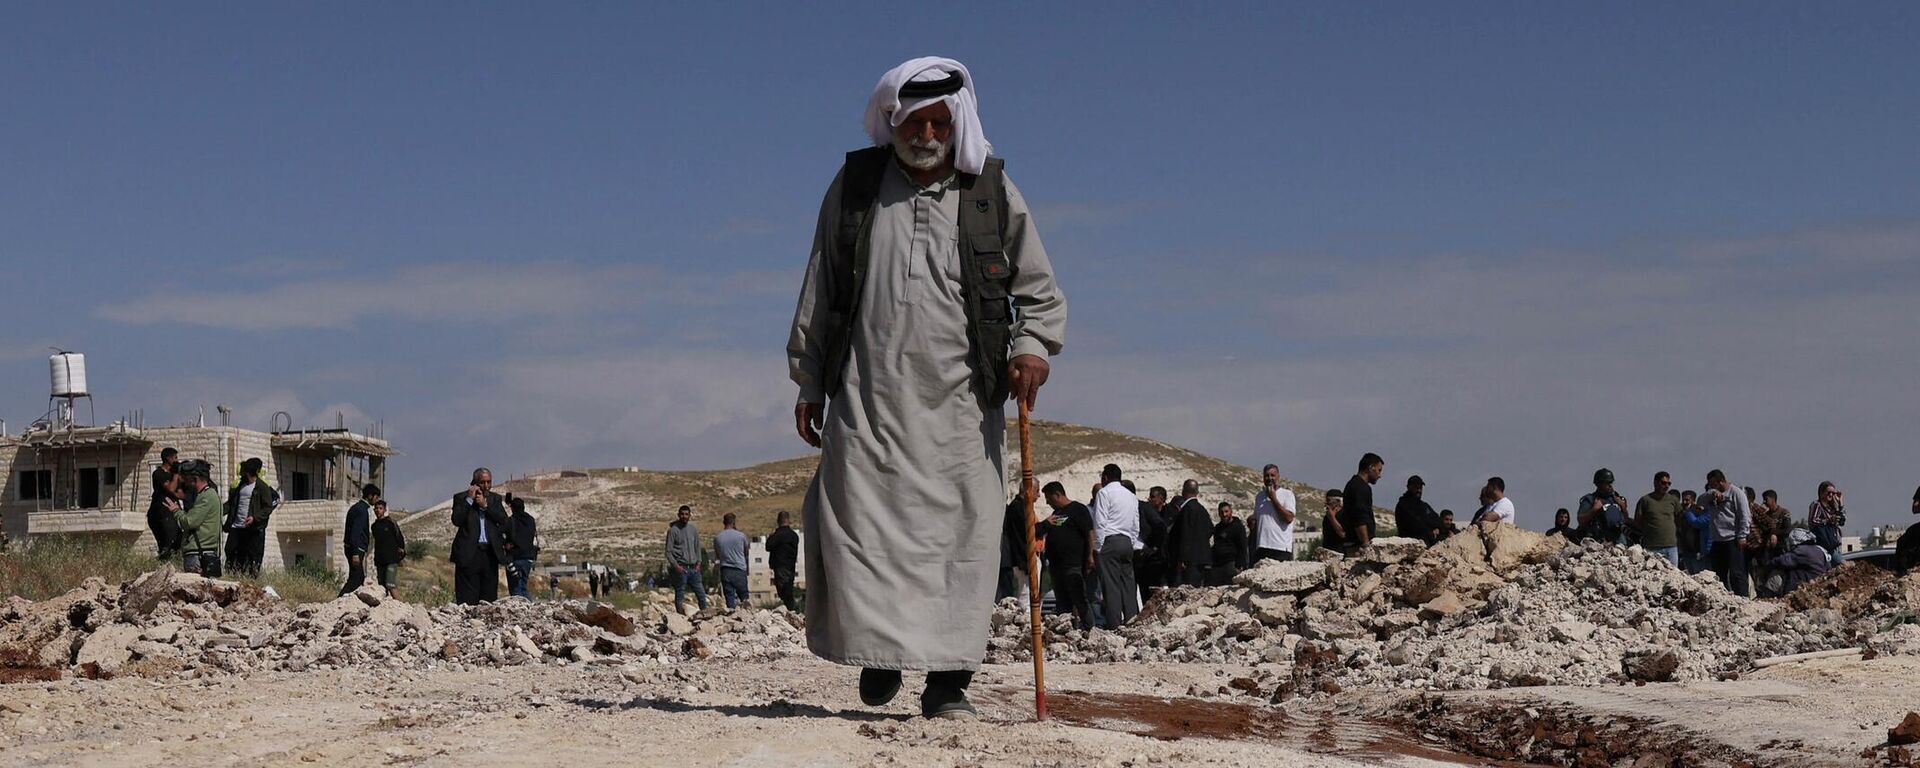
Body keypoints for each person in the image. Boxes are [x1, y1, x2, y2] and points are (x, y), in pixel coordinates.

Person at [785, 56, 1068, 720]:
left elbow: (1040, 292)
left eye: (943, 121)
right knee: (860, 526)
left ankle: (948, 683)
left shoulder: (990, 193)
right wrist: (808, 383)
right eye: (917, 121)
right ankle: (879, 655)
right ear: (895, 120)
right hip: (867, 396)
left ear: (958, 123)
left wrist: (1030, 347)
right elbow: (819, 286)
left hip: (961, 406)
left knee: (964, 538)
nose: (929, 133)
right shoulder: (855, 189)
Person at [1037, 481, 1094, 633]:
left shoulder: (1078, 510)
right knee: (1063, 602)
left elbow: (1089, 532)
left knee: (1079, 599)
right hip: (1056, 566)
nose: (1048, 502)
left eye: (1049, 498)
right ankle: (1068, 631)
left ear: (1058, 494)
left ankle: (1090, 629)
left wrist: (1090, 556)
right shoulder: (1056, 514)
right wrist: (1045, 523)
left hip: (1073, 564)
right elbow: (1037, 531)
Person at [1089, 464, 1141, 629]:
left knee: (1111, 586)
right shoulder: (1130, 495)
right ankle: (1132, 620)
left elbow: (1100, 522)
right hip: (1126, 542)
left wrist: (1097, 547)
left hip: (1110, 541)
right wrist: (1130, 542)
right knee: (1128, 583)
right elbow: (1135, 523)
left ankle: (1114, 624)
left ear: (1105, 477)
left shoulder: (1104, 493)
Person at [449, 468, 510, 605]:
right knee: (467, 597)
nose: (486, 485)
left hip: (489, 553)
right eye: (483, 482)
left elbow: (503, 520)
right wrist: (469, 500)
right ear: (475, 482)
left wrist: (485, 505)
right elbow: (457, 520)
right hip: (469, 553)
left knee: (488, 598)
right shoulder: (461, 498)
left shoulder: (494, 499)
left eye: (489, 482)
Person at [222, 457, 278, 577]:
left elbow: (268, 507)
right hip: (237, 527)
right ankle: (231, 576)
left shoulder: (262, 487)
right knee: (231, 552)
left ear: (248, 471)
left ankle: (250, 579)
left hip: (252, 529)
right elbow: (231, 504)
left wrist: (254, 518)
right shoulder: (240, 486)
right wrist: (218, 512)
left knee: (253, 557)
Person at [1701, 470, 1752, 596]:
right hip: (1717, 540)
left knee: (1736, 574)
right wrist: (1712, 493)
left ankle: (1743, 599)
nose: (1712, 486)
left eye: (1713, 484)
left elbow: (1745, 516)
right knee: (1718, 574)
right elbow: (1699, 501)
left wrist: (1742, 535)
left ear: (1721, 481)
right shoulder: (1711, 494)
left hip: (1732, 539)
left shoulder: (1737, 494)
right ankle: (1722, 598)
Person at [169, 459, 222, 577]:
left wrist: (176, 511)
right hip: (203, 553)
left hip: (198, 554)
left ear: (195, 479)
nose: (184, 483)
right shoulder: (209, 495)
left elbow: (189, 522)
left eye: (186, 479)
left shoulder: (206, 497)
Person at [1163, 480, 1214, 586]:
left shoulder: (1187, 509)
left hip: (1188, 561)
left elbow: (1185, 535)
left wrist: (1183, 558)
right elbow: (1210, 529)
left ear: (1183, 491)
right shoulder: (1201, 509)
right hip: (1200, 558)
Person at [1747, 489, 1792, 597]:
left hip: (1781, 549)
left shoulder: (1784, 513)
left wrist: (1775, 534)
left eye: (1766, 499)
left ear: (1773, 499)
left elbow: (1787, 530)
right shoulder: (1765, 515)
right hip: (1768, 550)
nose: (1764, 502)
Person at [1634, 472, 1683, 566]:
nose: (1666, 486)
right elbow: (1638, 521)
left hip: (1671, 546)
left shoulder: (1673, 500)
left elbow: (1680, 518)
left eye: (1669, 483)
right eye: (1663, 483)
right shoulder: (1645, 500)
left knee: (1674, 576)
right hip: (1652, 547)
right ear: (1655, 483)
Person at [1129, 481, 1168, 601]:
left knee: (1146, 589)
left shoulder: (1143, 507)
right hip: (1130, 553)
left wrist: (1154, 547)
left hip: (1144, 553)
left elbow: (1160, 526)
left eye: (1153, 496)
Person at [1251, 465, 1298, 561]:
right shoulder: (1259, 496)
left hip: (1280, 547)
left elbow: (1289, 518)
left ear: (1278, 477)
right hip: (1262, 547)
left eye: (1272, 475)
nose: (1269, 478)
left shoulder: (1287, 494)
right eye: (1267, 476)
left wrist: (1273, 499)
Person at [665, 505, 707, 613]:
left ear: (690, 515)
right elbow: (668, 552)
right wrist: (676, 566)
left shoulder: (693, 529)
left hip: (694, 568)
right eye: (682, 514)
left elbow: (697, 547)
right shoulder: (673, 531)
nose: (684, 516)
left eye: (686, 514)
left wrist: (699, 563)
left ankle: (705, 614)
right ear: (678, 515)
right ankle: (680, 617)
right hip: (681, 568)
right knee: (680, 595)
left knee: (701, 594)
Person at [338, 484, 376, 596]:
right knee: (357, 578)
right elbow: (356, 532)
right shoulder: (361, 510)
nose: (376, 500)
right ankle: (339, 599)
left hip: (354, 548)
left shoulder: (358, 508)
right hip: (356, 549)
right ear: (370, 496)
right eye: (376, 497)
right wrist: (355, 553)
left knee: (357, 576)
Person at [1767, 528, 1831, 595]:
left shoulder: (1802, 550)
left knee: (1781, 571)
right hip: (1819, 580)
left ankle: (1769, 594)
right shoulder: (1819, 548)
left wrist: (1769, 564)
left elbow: (1783, 560)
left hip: (1807, 582)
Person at [1341, 454, 1383, 551]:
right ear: (1371, 467)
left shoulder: (1353, 484)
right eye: (1379, 470)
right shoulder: (1360, 487)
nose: (1379, 475)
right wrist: (1365, 543)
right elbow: (1360, 516)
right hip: (1358, 546)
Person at [1577, 469, 1630, 544]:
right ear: (1599, 484)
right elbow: (1581, 520)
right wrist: (1594, 509)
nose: (1610, 485)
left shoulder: (1616, 498)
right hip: (1599, 539)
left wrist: (1623, 506)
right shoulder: (1590, 499)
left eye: (1611, 482)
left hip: (1618, 538)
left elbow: (1626, 519)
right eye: (1607, 483)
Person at [146, 447, 182, 561]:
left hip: (171, 513)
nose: (176, 461)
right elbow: (171, 488)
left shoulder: (173, 475)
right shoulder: (158, 473)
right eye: (175, 458)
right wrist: (176, 474)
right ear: (168, 458)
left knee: (177, 542)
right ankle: (164, 566)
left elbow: (180, 491)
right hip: (160, 514)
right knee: (167, 544)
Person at [505, 494, 540, 599]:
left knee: (516, 589)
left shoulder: (511, 521)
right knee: (523, 587)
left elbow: (504, 534)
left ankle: (520, 611)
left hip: (515, 558)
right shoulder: (530, 520)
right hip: (528, 558)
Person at [715, 513, 751, 610]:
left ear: (724, 522)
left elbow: (718, 555)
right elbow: (746, 552)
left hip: (725, 570)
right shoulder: (741, 536)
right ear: (734, 522)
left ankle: (731, 615)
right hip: (739, 569)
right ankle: (747, 616)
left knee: (729, 596)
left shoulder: (718, 537)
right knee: (744, 597)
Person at [1391, 475, 1438, 546]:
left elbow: (1437, 519)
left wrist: (1435, 527)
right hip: (1410, 544)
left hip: (1427, 543)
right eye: (1416, 487)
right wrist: (1430, 529)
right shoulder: (1403, 505)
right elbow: (1416, 524)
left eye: (1420, 488)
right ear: (1409, 487)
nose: (1419, 490)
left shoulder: (1424, 505)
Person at [1208, 502, 1248, 586]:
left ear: (1231, 512)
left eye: (1226, 511)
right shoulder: (1218, 528)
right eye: (1221, 512)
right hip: (1218, 565)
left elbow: (1243, 547)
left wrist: (1241, 565)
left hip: (1231, 564)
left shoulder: (1238, 527)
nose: (1224, 514)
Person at [768, 510, 802, 611]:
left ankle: (790, 609)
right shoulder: (793, 535)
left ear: (778, 521)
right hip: (790, 566)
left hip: (780, 566)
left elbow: (768, 546)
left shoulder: (777, 535)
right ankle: (790, 609)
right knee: (788, 587)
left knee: (783, 590)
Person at [371, 500, 405, 597]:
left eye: (380, 508)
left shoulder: (391, 523)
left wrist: (401, 551)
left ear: (384, 510)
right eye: (376, 508)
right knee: (381, 587)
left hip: (391, 560)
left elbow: (399, 537)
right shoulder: (374, 526)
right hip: (380, 560)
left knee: (390, 584)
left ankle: (402, 608)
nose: (378, 510)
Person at [1808, 481, 1846, 562]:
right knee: (1843, 565)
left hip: (1835, 544)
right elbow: (1813, 521)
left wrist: (1840, 504)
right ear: (1822, 493)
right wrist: (1828, 520)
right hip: (1824, 546)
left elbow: (1842, 522)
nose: (1831, 495)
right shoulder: (1817, 505)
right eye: (1828, 492)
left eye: (1833, 493)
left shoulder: (1832, 508)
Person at [1678, 489, 1706, 572]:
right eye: (1683, 500)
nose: (1685, 502)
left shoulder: (1698, 512)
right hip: (1685, 549)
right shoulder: (1681, 512)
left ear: (1693, 501)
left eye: (1687, 500)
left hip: (1696, 549)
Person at [1320, 489, 1347, 555]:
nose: (1327, 503)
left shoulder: (1344, 514)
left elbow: (1343, 534)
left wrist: (1332, 518)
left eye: (1329, 501)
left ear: (1337, 502)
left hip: (1340, 552)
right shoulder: (1327, 517)